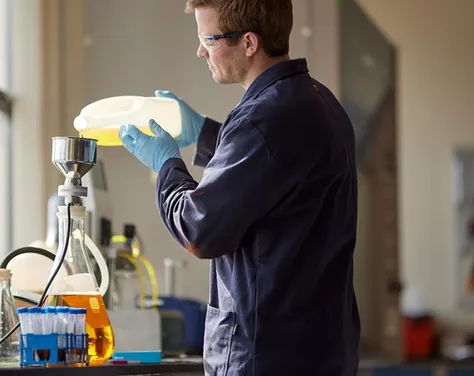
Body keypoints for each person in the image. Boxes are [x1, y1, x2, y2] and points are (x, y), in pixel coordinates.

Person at [119, 0, 360, 375]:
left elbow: (199, 229)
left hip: (265, 355)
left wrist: (166, 163)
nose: (201, 51)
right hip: (319, 351)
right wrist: (203, 133)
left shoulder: (263, 119)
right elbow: (273, 174)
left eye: (209, 40)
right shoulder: (318, 102)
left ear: (249, 42)